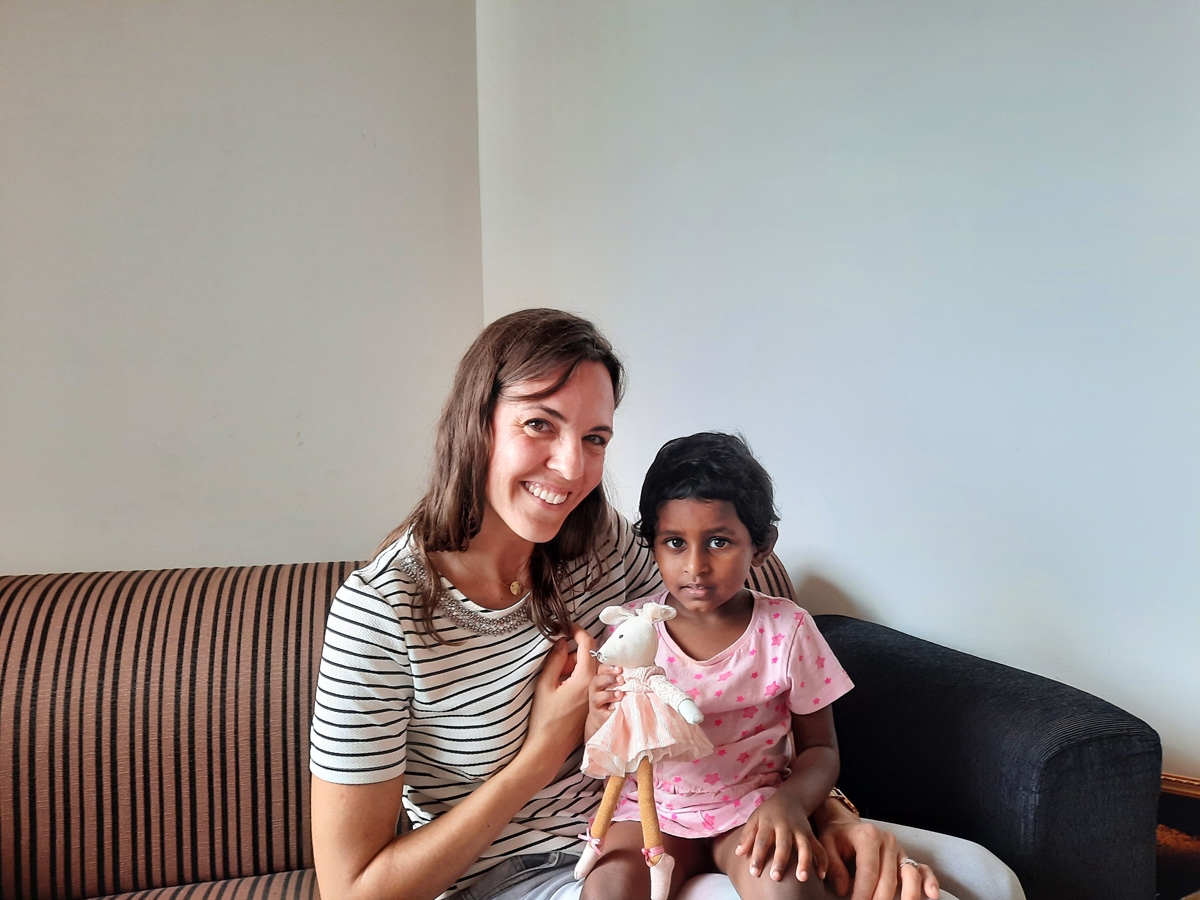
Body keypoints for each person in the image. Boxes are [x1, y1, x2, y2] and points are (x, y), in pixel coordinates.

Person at [308, 309, 992, 900]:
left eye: (595, 438)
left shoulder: (595, 540)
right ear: (476, 422)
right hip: (541, 873)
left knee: (980, 879)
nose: (572, 468)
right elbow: (353, 890)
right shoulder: (380, 613)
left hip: (696, 819)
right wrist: (542, 753)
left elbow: (720, 644)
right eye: (540, 424)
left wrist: (831, 814)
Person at [577, 432, 853, 900]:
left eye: (719, 542)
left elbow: (821, 749)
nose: (696, 566)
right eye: (675, 542)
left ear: (761, 546)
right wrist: (597, 712)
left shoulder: (787, 630)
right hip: (651, 812)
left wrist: (790, 804)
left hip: (752, 808)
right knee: (606, 890)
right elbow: (605, 746)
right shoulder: (632, 631)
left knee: (789, 889)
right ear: (653, 544)